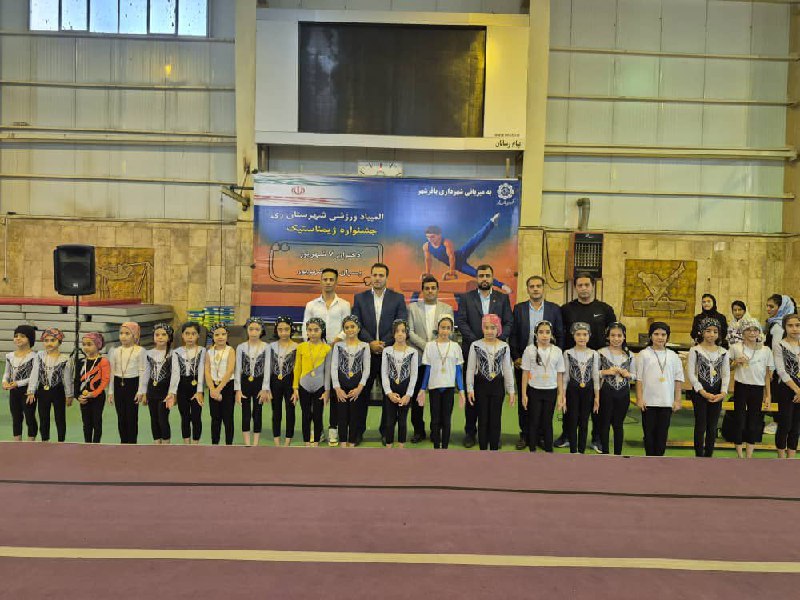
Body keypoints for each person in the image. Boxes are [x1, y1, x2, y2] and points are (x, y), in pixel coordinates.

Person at [557, 272, 616, 452]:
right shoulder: (566, 309)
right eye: (580, 285)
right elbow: (560, 334)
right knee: (570, 402)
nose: (583, 288)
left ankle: (597, 438)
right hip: (573, 362)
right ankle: (567, 435)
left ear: (593, 286)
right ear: (575, 287)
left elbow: (614, 334)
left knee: (596, 403)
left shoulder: (605, 309)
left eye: (587, 285)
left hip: (598, 362)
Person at [455, 264, 513, 448]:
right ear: (477, 278)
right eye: (481, 276)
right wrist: (477, 343)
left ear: (492, 277)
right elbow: (461, 321)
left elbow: (509, 322)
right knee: (473, 395)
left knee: (494, 400)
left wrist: (497, 341)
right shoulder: (466, 298)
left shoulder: (502, 298)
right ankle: (470, 433)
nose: (484, 279)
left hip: (496, 353)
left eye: (488, 275)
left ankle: (493, 435)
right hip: (473, 351)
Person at [351, 262, 408, 445]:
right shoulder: (360, 298)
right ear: (370, 277)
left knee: (388, 395)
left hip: (389, 353)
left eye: (381, 275)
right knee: (362, 394)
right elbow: (356, 323)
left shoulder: (397, 298)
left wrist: (383, 343)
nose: (377, 278)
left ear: (386, 278)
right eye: (374, 275)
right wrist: (371, 343)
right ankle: (358, 432)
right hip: (366, 353)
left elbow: (400, 323)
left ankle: (386, 432)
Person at [509, 275, 564, 450]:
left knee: (545, 403)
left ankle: (541, 435)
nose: (535, 289)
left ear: (543, 288)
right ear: (527, 289)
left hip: (547, 364)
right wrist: (516, 357)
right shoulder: (519, 309)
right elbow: (513, 335)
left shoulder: (554, 309)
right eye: (531, 286)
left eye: (538, 286)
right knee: (525, 400)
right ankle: (525, 434)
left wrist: (556, 357)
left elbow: (560, 334)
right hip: (525, 362)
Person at [302, 268, 351, 446]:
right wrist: (317, 347)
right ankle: (318, 430)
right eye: (325, 279)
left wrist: (335, 342)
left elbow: (347, 327)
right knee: (317, 393)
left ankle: (333, 429)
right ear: (320, 281)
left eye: (331, 279)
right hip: (316, 358)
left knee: (335, 391)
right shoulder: (311, 305)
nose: (328, 282)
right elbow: (305, 330)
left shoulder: (344, 304)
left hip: (338, 354)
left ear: (336, 282)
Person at [407, 275, 453, 443]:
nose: (430, 291)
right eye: (427, 288)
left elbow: (449, 332)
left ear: (438, 290)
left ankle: (437, 431)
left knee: (438, 398)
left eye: (433, 288)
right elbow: (410, 332)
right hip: (419, 358)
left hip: (440, 360)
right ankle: (418, 430)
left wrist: (434, 347)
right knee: (417, 397)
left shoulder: (447, 308)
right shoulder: (412, 308)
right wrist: (427, 346)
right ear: (422, 291)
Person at [422, 216, 512, 292]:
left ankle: (491, 222)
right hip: (459, 265)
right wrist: (427, 273)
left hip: (459, 256)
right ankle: (502, 286)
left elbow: (451, 257)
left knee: (475, 240)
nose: (430, 239)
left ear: (439, 235)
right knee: (477, 274)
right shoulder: (426, 246)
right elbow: (428, 259)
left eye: (432, 237)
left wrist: (451, 271)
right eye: (428, 237)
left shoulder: (446, 242)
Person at [466, 314, 516, 451]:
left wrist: (511, 390)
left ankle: (494, 449)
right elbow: (470, 368)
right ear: (482, 328)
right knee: (482, 419)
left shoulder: (504, 346)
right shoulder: (475, 345)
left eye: (493, 328)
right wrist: (470, 388)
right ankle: (483, 449)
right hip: (480, 387)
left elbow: (507, 369)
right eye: (486, 328)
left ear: (498, 329)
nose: (489, 331)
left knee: (495, 420)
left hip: (497, 387)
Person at [635, 322, 683, 457]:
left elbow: (678, 379)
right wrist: (639, 398)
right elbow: (639, 379)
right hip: (648, 402)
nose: (660, 337)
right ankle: (649, 460)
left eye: (663, 334)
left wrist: (677, 400)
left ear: (668, 337)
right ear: (650, 336)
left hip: (666, 402)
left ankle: (658, 460)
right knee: (649, 435)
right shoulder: (644, 354)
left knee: (662, 435)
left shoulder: (673, 356)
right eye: (656, 334)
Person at [417, 316, 465, 449]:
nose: (445, 331)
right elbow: (428, 369)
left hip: (449, 388)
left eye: (448, 328)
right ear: (438, 328)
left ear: (452, 330)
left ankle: (445, 447)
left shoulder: (455, 347)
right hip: (434, 388)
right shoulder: (430, 346)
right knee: (435, 419)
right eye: (443, 327)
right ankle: (436, 447)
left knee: (446, 420)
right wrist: (422, 389)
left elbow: (458, 370)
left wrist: (461, 390)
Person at [729, 319, 773, 458]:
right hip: (741, 386)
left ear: (759, 332)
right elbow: (726, 368)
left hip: (758, 388)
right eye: (748, 330)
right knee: (739, 420)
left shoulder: (766, 350)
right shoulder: (736, 347)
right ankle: (739, 455)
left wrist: (768, 395)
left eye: (755, 330)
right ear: (743, 332)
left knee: (754, 422)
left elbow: (767, 375)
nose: (752, 333)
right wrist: (736, 362)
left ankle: (749, 456)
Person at [520, 320, 565, 453]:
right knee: (533, 420)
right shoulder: (529, 350)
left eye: (547, 332)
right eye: (541, 332)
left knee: (547, 421)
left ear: (551, 334)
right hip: (534, 390)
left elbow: (559, 375)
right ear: (536, 334)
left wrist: (561, 394)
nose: (544, 335)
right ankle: (532, 448)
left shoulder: (557, 351)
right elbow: (525, 373)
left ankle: (549, 449)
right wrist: (523, 394)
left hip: (551, 391)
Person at [687, 318, 729, 458]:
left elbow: (726, 374)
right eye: (708, 331)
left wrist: (723, 392)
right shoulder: (695, 350)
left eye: (715, 331)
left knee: (712, 426)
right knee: (701, 425)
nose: (712, 334)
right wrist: (702, 391)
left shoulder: (723, 352)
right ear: (702, 332)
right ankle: (699, 455)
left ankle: (709, 454)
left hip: (717, 393)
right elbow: (691, 373)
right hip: (700, 392)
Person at [331, 315, 370, 448]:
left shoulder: (365, 346)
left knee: (354, 417)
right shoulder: (338, 346)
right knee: (342, 416)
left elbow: (366, 369)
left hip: (356, 388)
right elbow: (334, 367)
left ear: (358, 328)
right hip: (341, 388)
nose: (350, 329)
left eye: (352, 326)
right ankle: (343, 443)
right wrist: (337, 388)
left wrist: (360, 388)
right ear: (343, 330)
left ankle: (352, 442)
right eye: (346, 327)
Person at [27, 328, 72, 443]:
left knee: (60, 417)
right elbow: (35, 373)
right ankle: (44, 440)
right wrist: (31, 390)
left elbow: (67, 379)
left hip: (58, 390)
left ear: (59, 342)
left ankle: (61, 441)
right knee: (43, 417)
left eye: (52, 340)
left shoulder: (65, 359)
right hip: (43, 390)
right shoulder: (39, 356)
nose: (49, 343)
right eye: (46, 340)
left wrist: (69, 395)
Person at [292, 317, 331, 446]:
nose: (312, 333)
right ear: (306, 331)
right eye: (310, 330)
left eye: (316, 330)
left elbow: (327, 371)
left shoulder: (327, 348)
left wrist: (327, 390)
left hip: (320, 386)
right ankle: (307, 441)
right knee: (306, 415)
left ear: (322, 330)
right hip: (304, 386)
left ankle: (317, 440)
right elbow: (297, 368)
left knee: (318, 415)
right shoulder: (301, 347)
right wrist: (295, 387)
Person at [597, 322, 635, 455]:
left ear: (624, 337)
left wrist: (628, 375)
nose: (616, 338)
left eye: (619, 335)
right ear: (608, 336)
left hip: (623, 394)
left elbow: (635, 375)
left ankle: (618, 453)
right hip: (606, 392)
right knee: (605, 423)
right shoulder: (600, 353)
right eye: (613, 335)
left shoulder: (629, 355)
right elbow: (593, 373)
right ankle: (605, 452)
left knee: (618, 424)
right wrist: (605, 372)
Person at [562, 323, 600, 454]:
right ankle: (573, 450)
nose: (582, 337)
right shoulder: (568, 353)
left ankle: (581, 450)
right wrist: (563, 396)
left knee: (584, 421)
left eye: (585, 334)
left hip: (588, 392)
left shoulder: (594, 354)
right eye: (578, 334)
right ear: (573, 336)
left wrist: (597, 397)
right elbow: (566, 376)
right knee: (572, 420)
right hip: (572, 391)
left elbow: (595, 376)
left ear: (589, 336)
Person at [381, 319, 419, 449]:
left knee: (402, 422)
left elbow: (414, 375)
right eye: (397, 331)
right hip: (390, 392)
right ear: (393, 333)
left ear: (407, 333)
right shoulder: (387, 351)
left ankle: (401, 446)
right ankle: (389, 446)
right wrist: (389, 393)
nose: (400, 334)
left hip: (405, 392)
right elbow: (384, 373)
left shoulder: (412, 352)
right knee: (389, 421)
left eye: (403, 331)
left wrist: (408, 395)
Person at [166, 322, 206, 445]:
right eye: (187, 333)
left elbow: (201, 371)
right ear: (182, 335)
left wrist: (199, 391)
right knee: (185, 417)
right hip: (182, 386)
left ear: (198, 335)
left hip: (196, 386)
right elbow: (175, 373)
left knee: (196, 417)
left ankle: (195, 444)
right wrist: (172, 392)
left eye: (193, 334)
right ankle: (186, 444)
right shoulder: (176, 352)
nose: (190, 336)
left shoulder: (202, 350)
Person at [107, 321, 146, 444]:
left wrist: (140, 391)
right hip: (119, 384)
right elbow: (112, 371)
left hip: (132, 384)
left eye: (127, 334)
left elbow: (142, 371)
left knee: (131, 416)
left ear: (135, 335)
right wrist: (111, 392)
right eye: (121, 333)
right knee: (121, 416)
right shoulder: (115, 351)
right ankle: (123, 442)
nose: (123, 336)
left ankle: (132, 442)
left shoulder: (140, 351)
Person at [235, 317, 271, 447]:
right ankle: (247, 443)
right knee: (245, 414)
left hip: (259, 383)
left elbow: (267, 369)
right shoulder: (241, 347)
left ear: (261, 331)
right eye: (251, 329)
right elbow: (237, 369)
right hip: (245, 382)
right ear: (247, 330)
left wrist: (265, 388)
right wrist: (238, 390)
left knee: (257, 413)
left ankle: (255, 443)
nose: (254, 332)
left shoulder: (266, 347)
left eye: (257, 329)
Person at [3, 325, 39, 441]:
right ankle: (17, 440)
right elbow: (7, 373)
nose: (18, 338)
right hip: (14, 391)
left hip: (28, 391)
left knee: (29, 416)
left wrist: (18, 383)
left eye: (22, 336)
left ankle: (31, 440)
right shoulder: (10, 356)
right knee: (16, 417)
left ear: (30, 339)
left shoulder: (35, 357)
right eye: (16, 336)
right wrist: (4, 381)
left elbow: (34, 377)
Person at [139, 323, 173, 444]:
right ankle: (157, 442)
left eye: (163, 334)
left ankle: (166, 443)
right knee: (154, 418)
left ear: (169, 337)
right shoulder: (148, 353)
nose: (160, 337)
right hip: (152, 390)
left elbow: (175, 376)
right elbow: (145, 373)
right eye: (157, 335)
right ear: (153, 337)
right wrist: (144, 393)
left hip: (165, 392)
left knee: (162, 418)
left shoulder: (172, 354)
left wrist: (173, 393)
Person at [772, 313, 800, 459]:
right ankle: (781, 458)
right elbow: (781, 371)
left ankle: (791, 458)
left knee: (796, 426)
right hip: (786, 387)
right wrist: (796, 389)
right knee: (785, 423)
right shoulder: (780, 345)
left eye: (797, 325)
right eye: (790, 326)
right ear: (785, 327)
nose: (794, 329)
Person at [75, 332, 110, 444]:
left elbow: (105, 381)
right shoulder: (80, 362)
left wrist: (94, 393)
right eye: (84, 344)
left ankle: (96, 445)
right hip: (84, 398)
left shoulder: (103, 361)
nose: (86, 347)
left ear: (98, 345)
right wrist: (77, 396)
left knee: (96, 422)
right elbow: (76, 381)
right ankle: (87, 444)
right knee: (86, 423)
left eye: (89, 344)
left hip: (97, 397)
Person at [205, 324, 236, 446]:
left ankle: (229, 444)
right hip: (213, 387)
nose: (220, 337)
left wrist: (219, 389)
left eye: (223, 334)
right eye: (217, 334)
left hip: (227, 386)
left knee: (228, 418)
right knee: (215, 418)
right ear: (212, 337)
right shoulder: (209, 352)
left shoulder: (230, 350)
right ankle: (215, 443)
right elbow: (207, 371)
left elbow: (230, 370)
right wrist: (212, 388)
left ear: (227, 336)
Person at [269, 316, 297, 446]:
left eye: (286, 329)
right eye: (280, 329)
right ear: (276, 330)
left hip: (290, 381)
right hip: (274, 381)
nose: (283, 332)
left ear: (291, 329)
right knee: (276, 411)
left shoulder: (297, 347)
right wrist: (266, 388)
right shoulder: (271, 347)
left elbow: (297, 369)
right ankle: (276, 437)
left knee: (290, 410)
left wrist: (296, 389)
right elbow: (268, 368)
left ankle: (288, 438)